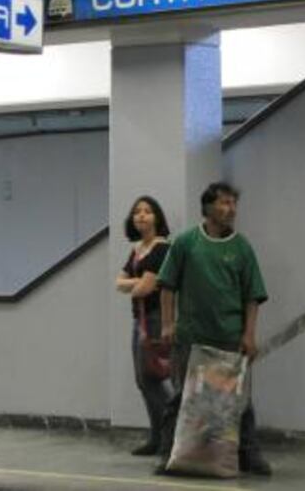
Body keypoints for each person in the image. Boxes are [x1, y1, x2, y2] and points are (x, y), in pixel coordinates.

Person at [155, 181, 272, 476]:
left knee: (239, 400)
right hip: (191, 337)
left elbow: (253, 296)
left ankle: (249, 454)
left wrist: (249, 335)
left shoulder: (242, 248)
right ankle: (169, 454)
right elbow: (167, 286)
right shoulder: (186, 243)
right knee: (181, 398)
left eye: (233, 203)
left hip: (229, 338)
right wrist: (168, 324)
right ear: (208, 207)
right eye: (224, 203)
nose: (231, 209)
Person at [116, 196, 173, 456]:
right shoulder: (137, 250)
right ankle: (157, 437)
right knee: (143, 380)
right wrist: (136, 283)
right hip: (138, 320)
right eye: (137, 211)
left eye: (147, 211)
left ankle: (170, 437)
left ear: (157, 218)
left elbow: (144, 289)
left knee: (153, 379)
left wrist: (135, 283)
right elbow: (120, 283)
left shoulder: (162, 248)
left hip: (156, 319)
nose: (141, 215)